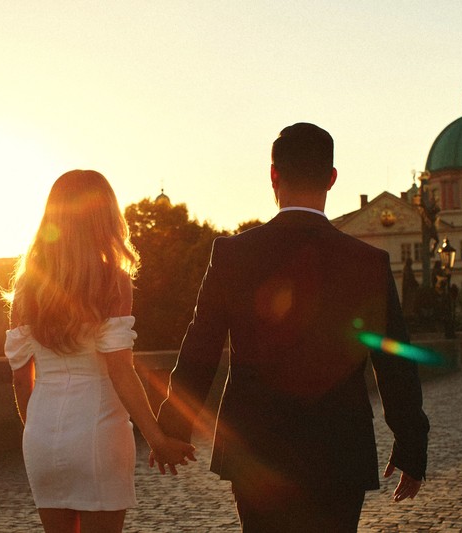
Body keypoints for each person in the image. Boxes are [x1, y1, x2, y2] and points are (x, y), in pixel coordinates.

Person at [153, 123, 430, 532]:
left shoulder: (232, 254)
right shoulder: (367, 262)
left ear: (273, 175)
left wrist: (173, 427)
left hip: (255, 447)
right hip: (340, 449)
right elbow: (394, 362)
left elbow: (201, 347)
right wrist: (410, 445)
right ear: (332, 179)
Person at [5, 170, 195, 533]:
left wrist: (39, 433)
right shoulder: (113, 280)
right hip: (97, 431)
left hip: (42, 436)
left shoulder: (27, 286)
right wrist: (157, 438)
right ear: (106, 216)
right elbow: (120, 370)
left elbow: (18, 378)